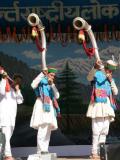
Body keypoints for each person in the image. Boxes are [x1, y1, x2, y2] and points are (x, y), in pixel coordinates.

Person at [86, 59, 118, 159]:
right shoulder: (97, 73)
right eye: (109, 70)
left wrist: (111, 80)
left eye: (112, 71)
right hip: (98, 103)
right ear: (107, 68)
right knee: (97, 130)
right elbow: (89, 77)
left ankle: (101, 152)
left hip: (107, 105)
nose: (110, 72)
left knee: (104, 130)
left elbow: (115, 92)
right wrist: (95, 67)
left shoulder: (110, 79)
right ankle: (94, 152)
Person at [30, 67, 60, 155]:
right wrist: (42, 74)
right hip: (41, 104)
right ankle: (40, 150)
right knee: (42, 127)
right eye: (51, 75)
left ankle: (45, 149)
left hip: (50, 106)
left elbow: (57, 95)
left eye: (54, 76)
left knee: (48, 129)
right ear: (47, 74)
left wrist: (52, 85)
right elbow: (33, 84)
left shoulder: (51, 84)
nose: (53, 77)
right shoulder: (41, 82)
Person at [0, 68, 23, 160]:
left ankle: (2, 155)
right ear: (12, 80)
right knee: (5, 137)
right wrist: (3, 79)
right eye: (16, 80)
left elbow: (20, 101)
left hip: (11, 119)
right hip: (3, 118)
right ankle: (8, 156)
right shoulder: (3, 88)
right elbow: (1, 91)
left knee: (5, 139)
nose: (17, 82)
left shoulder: (14, 92)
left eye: (19, 81)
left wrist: (18, 90)